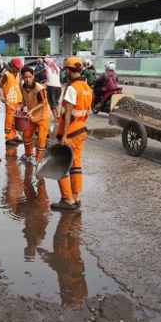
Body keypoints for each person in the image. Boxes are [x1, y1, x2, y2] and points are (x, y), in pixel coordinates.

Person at [51, 57, 92, 210]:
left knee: (61, 163)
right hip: (81, 129)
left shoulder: (72, 88)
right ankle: (75, 196)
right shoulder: (87, 88)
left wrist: (64, 136)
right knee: (76, 164)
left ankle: (67, 199)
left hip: (71, 132)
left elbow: (68, 114)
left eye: (65, 70)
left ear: (68, 70)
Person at [19, 66, 51, 162]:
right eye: (25, 77)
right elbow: (25, 100)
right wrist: (19, 108)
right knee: (26, 135)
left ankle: (38, 159)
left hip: (42, 116)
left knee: (41, 139)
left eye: (29, 77)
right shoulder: (23, 88)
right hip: (32, 117)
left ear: (33, 76)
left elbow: (43, 103)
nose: (28, 79)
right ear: (23, 78)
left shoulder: (39, 88)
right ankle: (28, 153)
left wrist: (31, 111)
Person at [0, 58, 23, 145]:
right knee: (9, 120)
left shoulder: (18, 73)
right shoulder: (6, 74)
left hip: (18, 101)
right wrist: (1, 96)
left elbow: (19, 86)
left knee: (15, 120)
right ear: (12, 66)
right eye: (17, 67)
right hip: (10, 101)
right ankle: (8, 138)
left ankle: (14, 136)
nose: (19, 68)